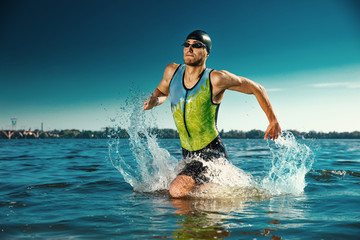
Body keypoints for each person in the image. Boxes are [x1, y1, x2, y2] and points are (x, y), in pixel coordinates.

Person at [143, 30, 282, 198]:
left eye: (196, 45)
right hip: (188, 153)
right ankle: (220, 194)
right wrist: (154, 102)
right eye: (186, 44)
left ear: (207, 52)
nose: (190, 48)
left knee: (176, 191)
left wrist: (273, 121)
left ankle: (222, 197)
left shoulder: (216, 79)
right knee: (166, 191)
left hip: (211, 151)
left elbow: (257, 88)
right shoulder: (172, 71)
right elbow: (162, 92)